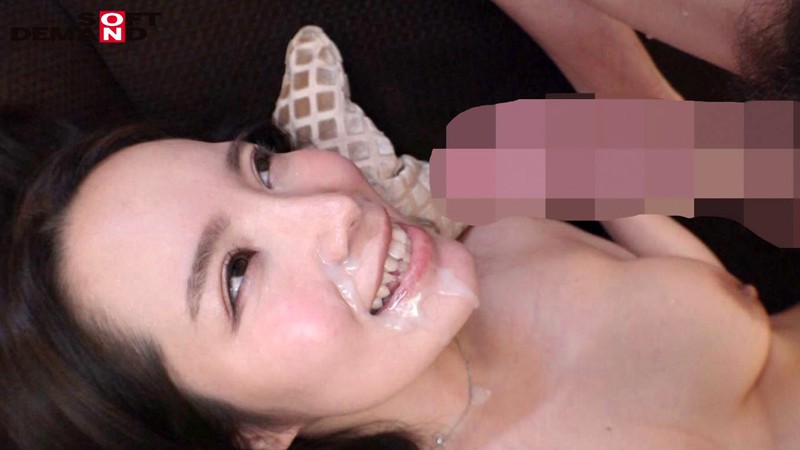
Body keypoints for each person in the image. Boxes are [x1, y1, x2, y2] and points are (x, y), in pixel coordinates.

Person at [3, 3, 800, 450]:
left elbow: (733, 300)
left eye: (261, 168)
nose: (334, 208)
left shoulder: (494, 241)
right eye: (237, 273)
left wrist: (606, 98)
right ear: (246, 435)